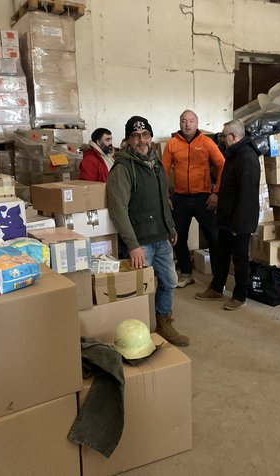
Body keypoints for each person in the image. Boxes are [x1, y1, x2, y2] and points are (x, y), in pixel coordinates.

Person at [107, 116, 189, 346]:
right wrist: (132, 244)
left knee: (169, 281)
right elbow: (118, 209)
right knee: (138, 291)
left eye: (145, 135)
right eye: (135, 136)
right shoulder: (123, 168)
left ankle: (163, 322)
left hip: (161, 237)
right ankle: (136, 334)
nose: (141, 140)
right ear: (127, 140)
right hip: (141, 242)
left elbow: (164, 199)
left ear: (150, 137)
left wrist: (170, 227)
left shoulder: (156, 163)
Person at [194, 119, 260, 311]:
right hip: (226, 218)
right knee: (221, 254)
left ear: (234, 136)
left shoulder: (247, 158)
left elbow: (247, 196)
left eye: (224, 136)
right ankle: (216, 288)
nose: (222, 139)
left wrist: (238, 225)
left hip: (239, 221)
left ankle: (240, 296)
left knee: (239, 259)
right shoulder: (233, 154)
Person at [162, 110, 225, 288]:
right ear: (179, 123)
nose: (187, 124)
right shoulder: (172, 144)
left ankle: (218, 278)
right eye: (183, 121)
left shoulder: (206, 142)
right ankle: (186, 273)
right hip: (180, 199)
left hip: (203, 198)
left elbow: (223, 165)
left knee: (214, 237)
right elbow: (163, 171)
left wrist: (216, 192)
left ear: (197, 124)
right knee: (178, 238)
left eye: (191, 121)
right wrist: (165, 195)